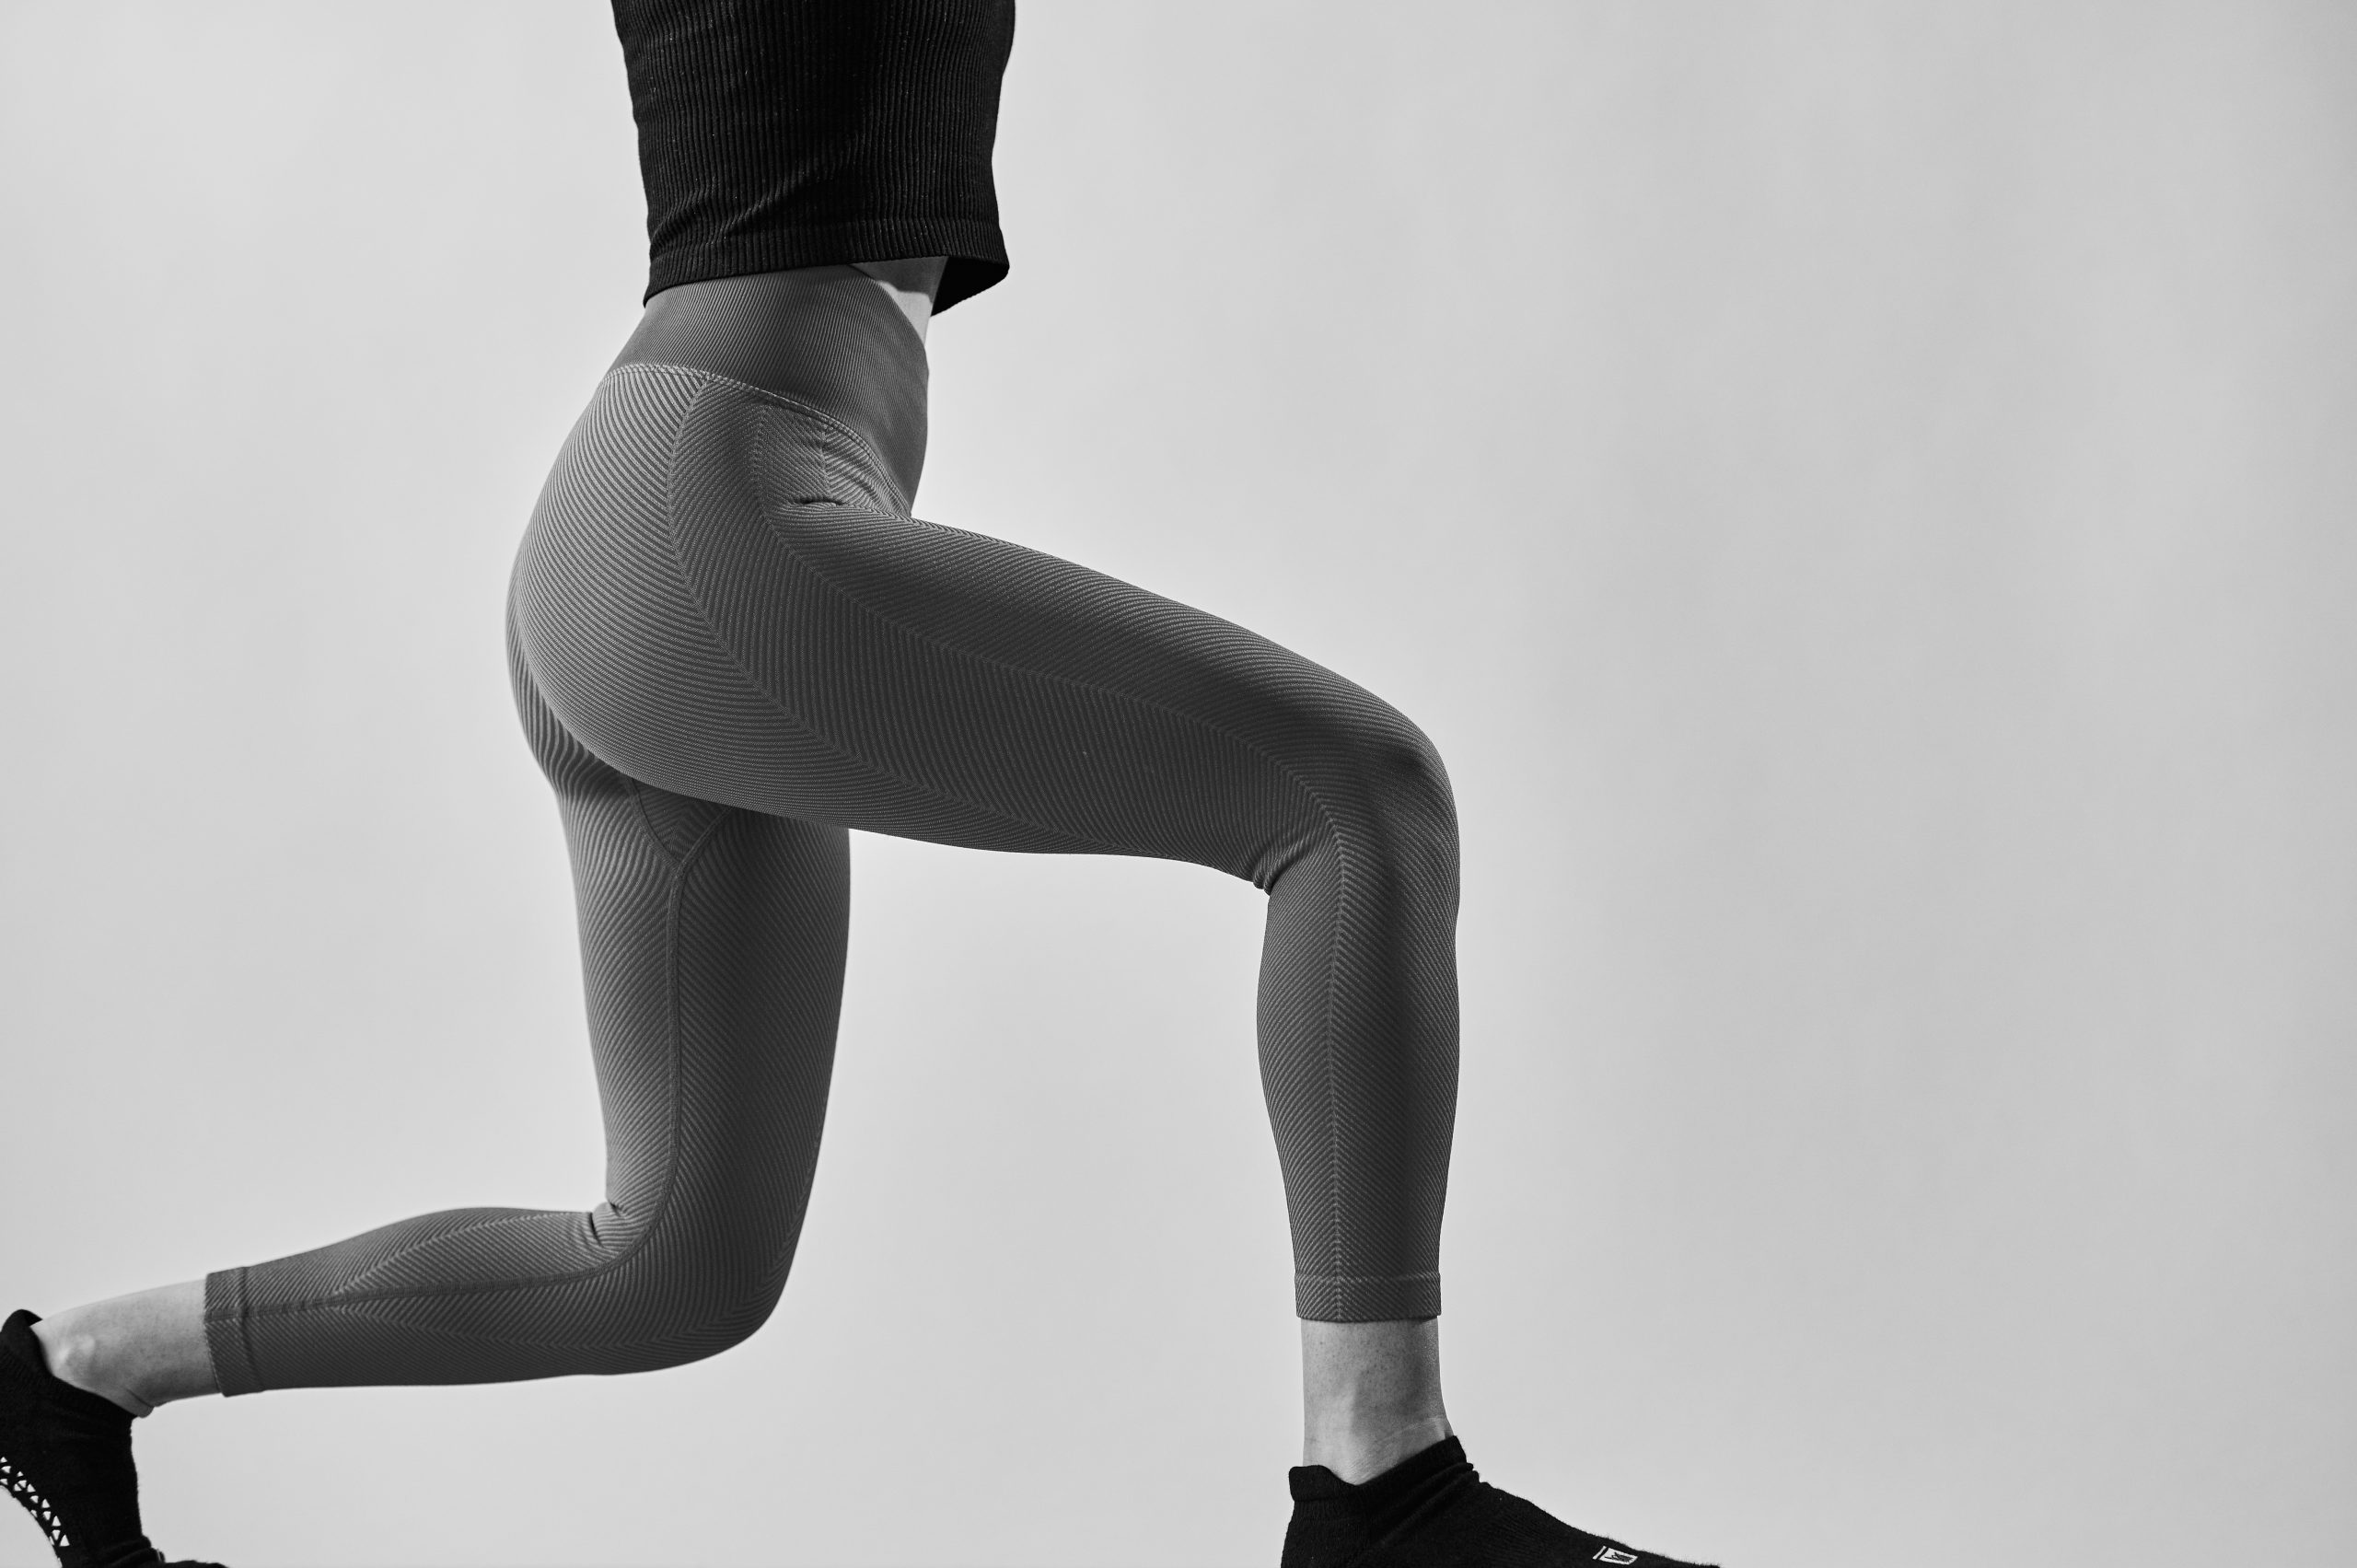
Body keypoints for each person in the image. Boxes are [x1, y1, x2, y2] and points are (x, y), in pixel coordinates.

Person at [1, 6, 1714, 1565]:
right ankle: (1385, 1496)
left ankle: (71, 1375)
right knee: (1359, 799)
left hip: (673, 538)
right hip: (705, 523)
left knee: (675, 1265)